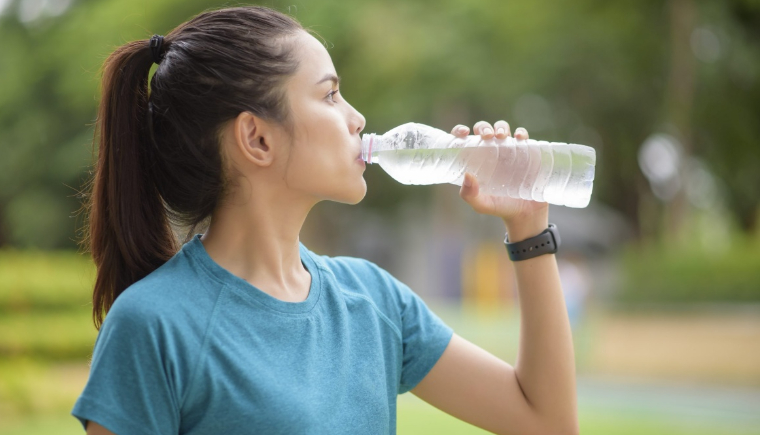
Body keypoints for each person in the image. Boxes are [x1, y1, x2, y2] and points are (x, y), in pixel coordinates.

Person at [73, 6, 578, 435]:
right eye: (330, 95)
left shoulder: (375, 300)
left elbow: (547, 421)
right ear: (257, 139)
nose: (356, 118)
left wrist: (528, 227)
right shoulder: (153, 325)